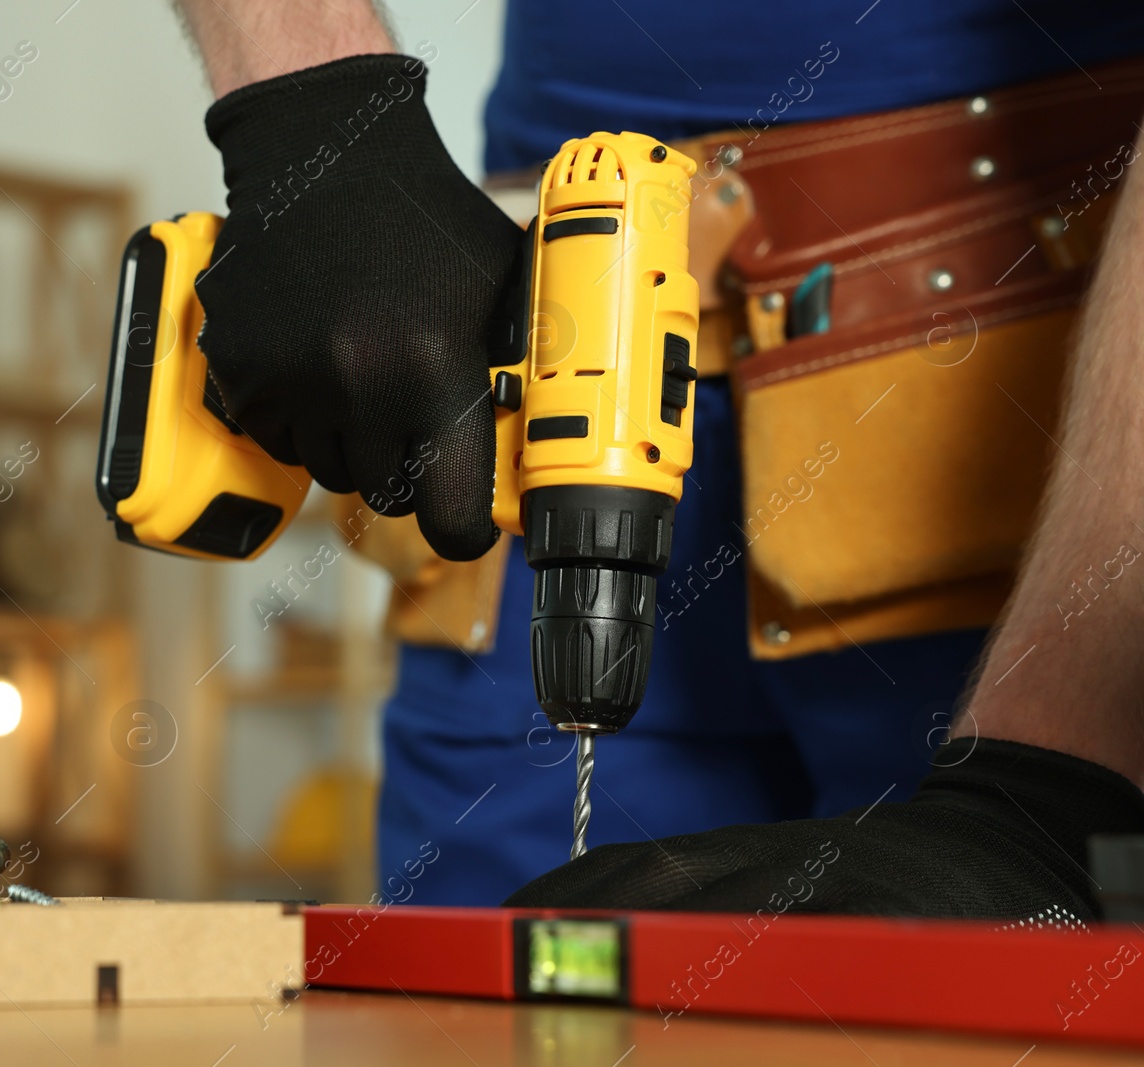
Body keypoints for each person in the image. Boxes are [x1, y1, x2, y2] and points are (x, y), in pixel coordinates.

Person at [170, 0, 1144, 917]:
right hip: (539, 393)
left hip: (1037, 462)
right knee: (483, 1013)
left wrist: (1054, 776)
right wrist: (313, 108)